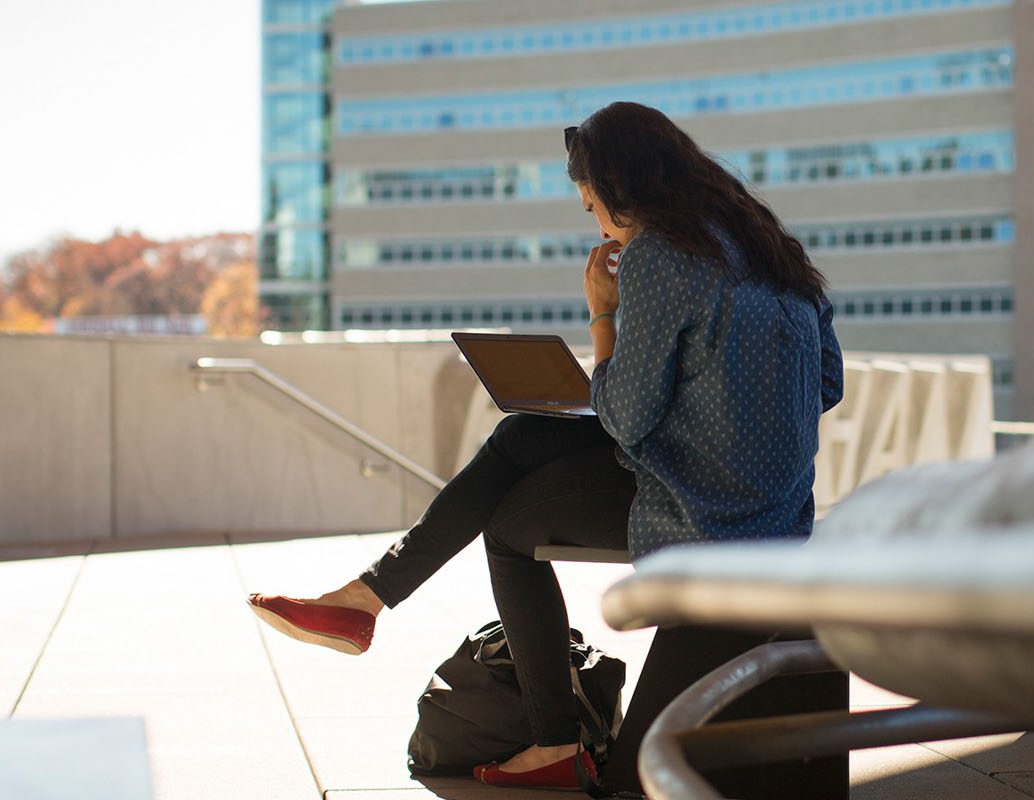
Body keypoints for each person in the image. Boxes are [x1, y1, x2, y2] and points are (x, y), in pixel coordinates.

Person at [246, 101, 843, 790]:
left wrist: (602, 313)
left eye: (591, 204)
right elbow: (825, 385)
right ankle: (364, 600)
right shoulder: (775, 252)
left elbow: (623, 414)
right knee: (523, 434)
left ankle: (542, 730)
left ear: (621, 189)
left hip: (704, 510)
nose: (595, 221)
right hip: (775, 503)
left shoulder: (658, 255)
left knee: (505, 525)